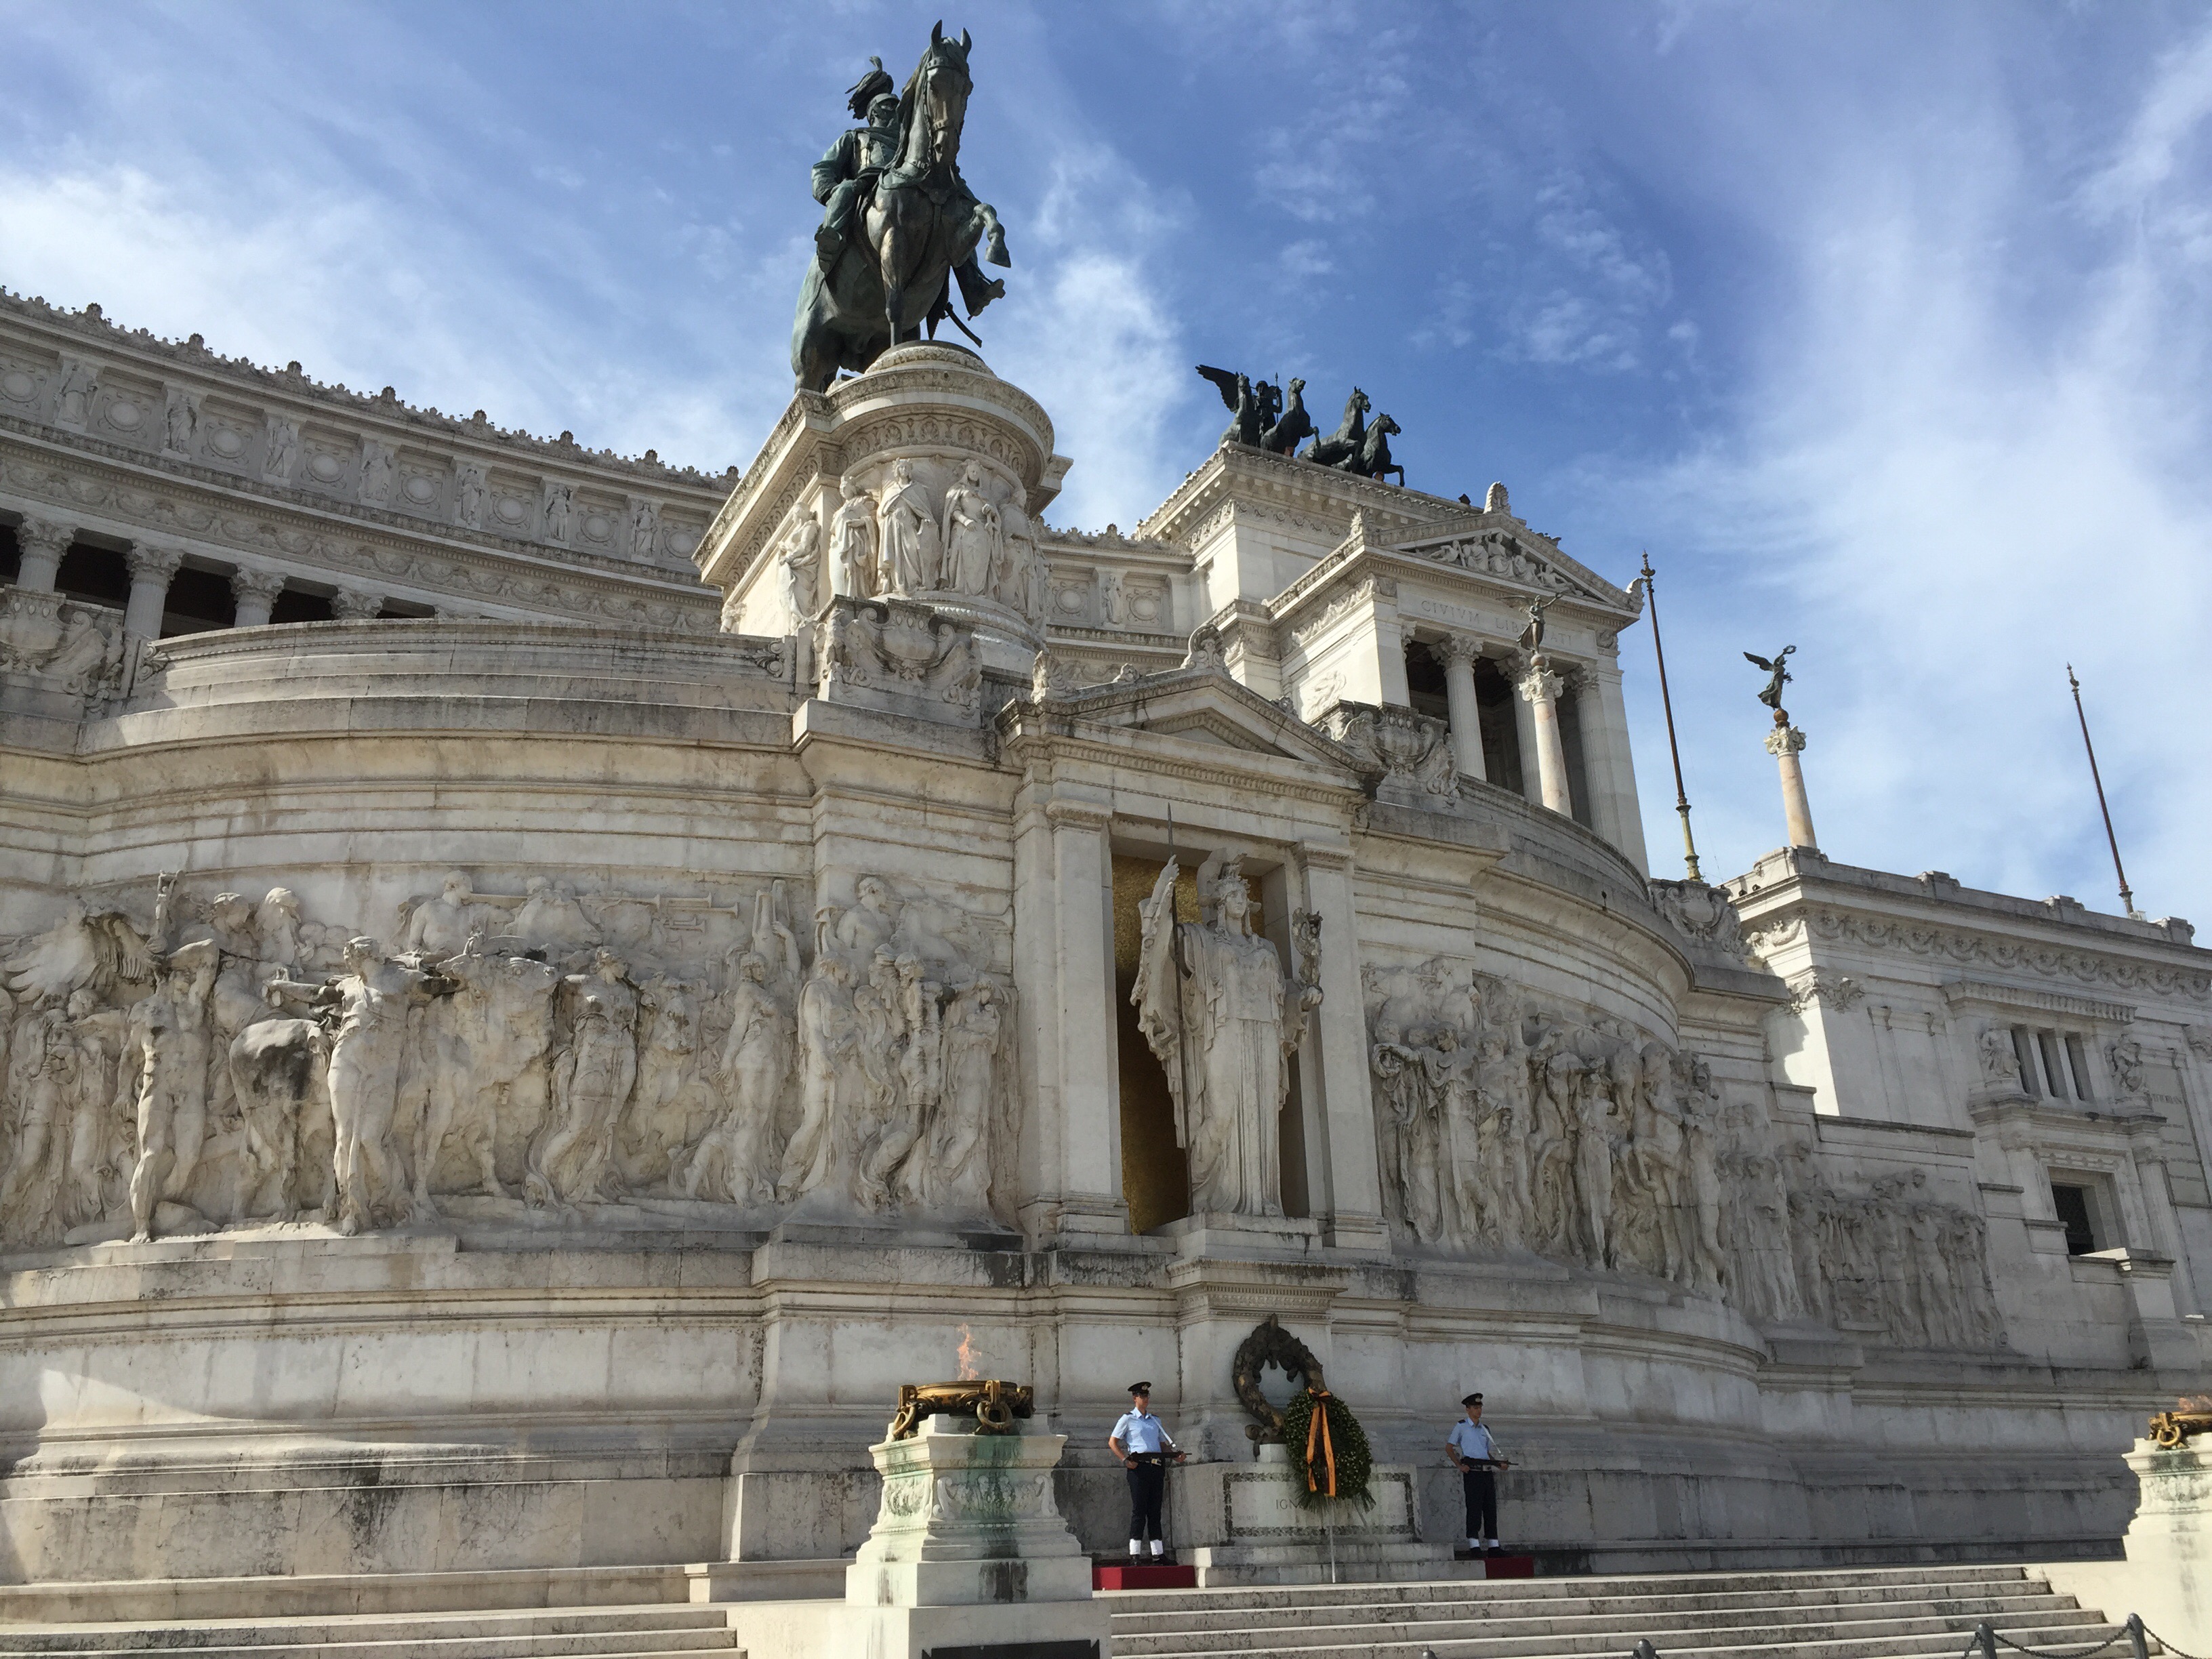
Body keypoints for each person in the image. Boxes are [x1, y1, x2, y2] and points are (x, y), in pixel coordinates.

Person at [1108, 1380, 1185, 1561]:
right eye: (1142, 1396)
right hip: (1139, 1467)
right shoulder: (1128, 1419)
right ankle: (1135, 1553)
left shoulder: (1155, 1420)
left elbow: (1162, 1445)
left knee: (1155, 1511)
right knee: (1139, 1510)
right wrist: (1125, 1460)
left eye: (1147, 1395)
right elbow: (1113, 1442)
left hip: (1156, 1466)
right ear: (1135, 1398)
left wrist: (1176, 1456)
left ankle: (1158, 1553)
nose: (1145, 1399)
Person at [1445, 1391, 1510, 1555]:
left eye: (1480, 1407)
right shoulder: (1461, 1426)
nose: (1478, 1410)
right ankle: (1474, 1544)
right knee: (1474, 1508)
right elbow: (1449, 1447)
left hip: (1486, 1472)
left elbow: (1486, 1453)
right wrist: (1460, 1465)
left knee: (1490, 1508)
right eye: (1475, 1407)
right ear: (1468, 1409)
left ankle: (1493, 1545)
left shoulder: (1485, 1429)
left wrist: (1498, 1464)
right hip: (1472, 1472)